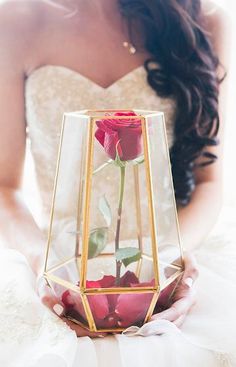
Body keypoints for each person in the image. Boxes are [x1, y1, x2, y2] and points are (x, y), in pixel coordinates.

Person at [0, 0, 235, 366]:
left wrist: (168, 263)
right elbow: (5, 187)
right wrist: (43, 262)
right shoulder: (14, 20)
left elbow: (210, 182)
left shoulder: (204, 21)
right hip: (57, 259)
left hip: (171, 252)